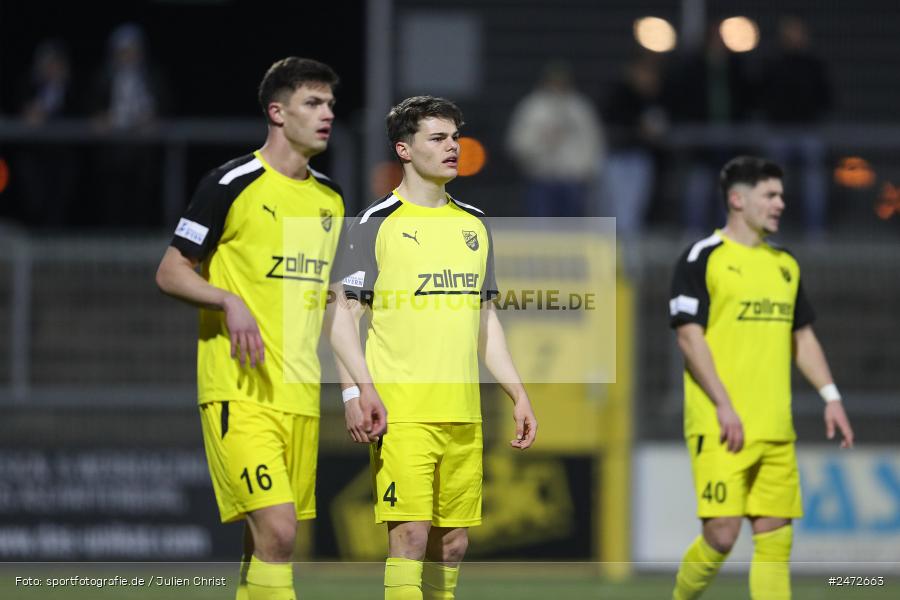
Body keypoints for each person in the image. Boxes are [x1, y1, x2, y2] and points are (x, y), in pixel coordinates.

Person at [155, 57, 386, 600]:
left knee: (267, 546)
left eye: (330, 103)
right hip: (240, 392)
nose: (327, 113)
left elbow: (332, 306)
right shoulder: (230, 183)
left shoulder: (330, 200)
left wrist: (356, 387)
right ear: (277, 112)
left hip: (301, 397)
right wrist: (226, 299)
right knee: (279, 531)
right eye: (313, 103)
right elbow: (169, 271)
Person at [328, 96, 538, 599]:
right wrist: (354, 395)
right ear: (403, 148)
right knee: (409, 535)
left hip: (462, 412)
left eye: (454, 137)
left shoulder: (474, 224)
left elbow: (486, 322)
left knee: (452, 545)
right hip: (401, 411)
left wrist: (518, 393)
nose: (452, 148)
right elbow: (341, 322)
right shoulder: (375, 222)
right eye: (437, 138)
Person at [668, 156, 855, 599]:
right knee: (722, 535)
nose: (780, 204)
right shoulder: (703, 258)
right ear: (737, 199)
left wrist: (831, 396)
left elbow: (803, 338)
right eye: (770, 195)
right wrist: (724, 404)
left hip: (774, 427)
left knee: (775, 537)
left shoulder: (785, 265)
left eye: (781, 195)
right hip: (720, 426)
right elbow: (690, 339)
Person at [506, 62, 604, 217]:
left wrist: (588, 171)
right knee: (541, 229)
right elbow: (517, 144)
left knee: (572, 228)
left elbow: (593, 141)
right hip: (541, 178)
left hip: (573, 180)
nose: (558, 85)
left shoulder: (580, 107)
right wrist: (542, 140)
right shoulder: (532, 107)